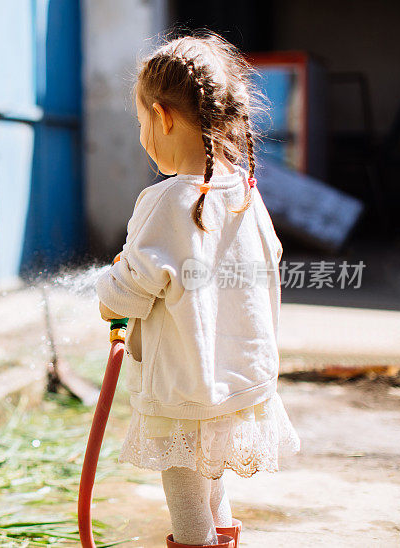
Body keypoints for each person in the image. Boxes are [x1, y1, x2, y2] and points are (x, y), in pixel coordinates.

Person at [95, 31, 301, 548]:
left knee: (186, 491)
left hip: (183, 383)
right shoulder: (245, 193)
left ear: (162, 117)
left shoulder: (167, 202)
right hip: (238, 378)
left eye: (142, 122)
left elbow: (127, 290)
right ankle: (221, 538)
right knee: (213, 476)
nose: (143, 135)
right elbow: (268, 262)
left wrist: (107, 288)